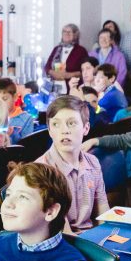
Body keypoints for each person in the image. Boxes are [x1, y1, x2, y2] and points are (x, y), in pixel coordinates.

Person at [35, 95, 108, 233]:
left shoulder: (93, 162)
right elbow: (64, 232)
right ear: (50, 130)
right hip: (62, 241)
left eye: (72, 123)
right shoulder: (43, 170)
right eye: (56, 124)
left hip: (90, 236)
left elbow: (103, 211)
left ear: (86, 128)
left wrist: (108, 240)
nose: (64, 131)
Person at [44, 24, 89, 96]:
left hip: (72, 89)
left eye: (69, 32)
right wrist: (54, 73)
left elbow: (85, 70)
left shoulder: (81, 51)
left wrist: (68, 75)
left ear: (75, 35)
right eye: (64, 31)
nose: (66, 34)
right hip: (54, 89)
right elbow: (47, 67)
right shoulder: (56, 49)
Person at [0, 77, 36, 144]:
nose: (1, 103)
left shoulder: (26, 119)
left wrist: (12, 133)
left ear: (15, 97)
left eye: (5, 99)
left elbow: (27, 145)